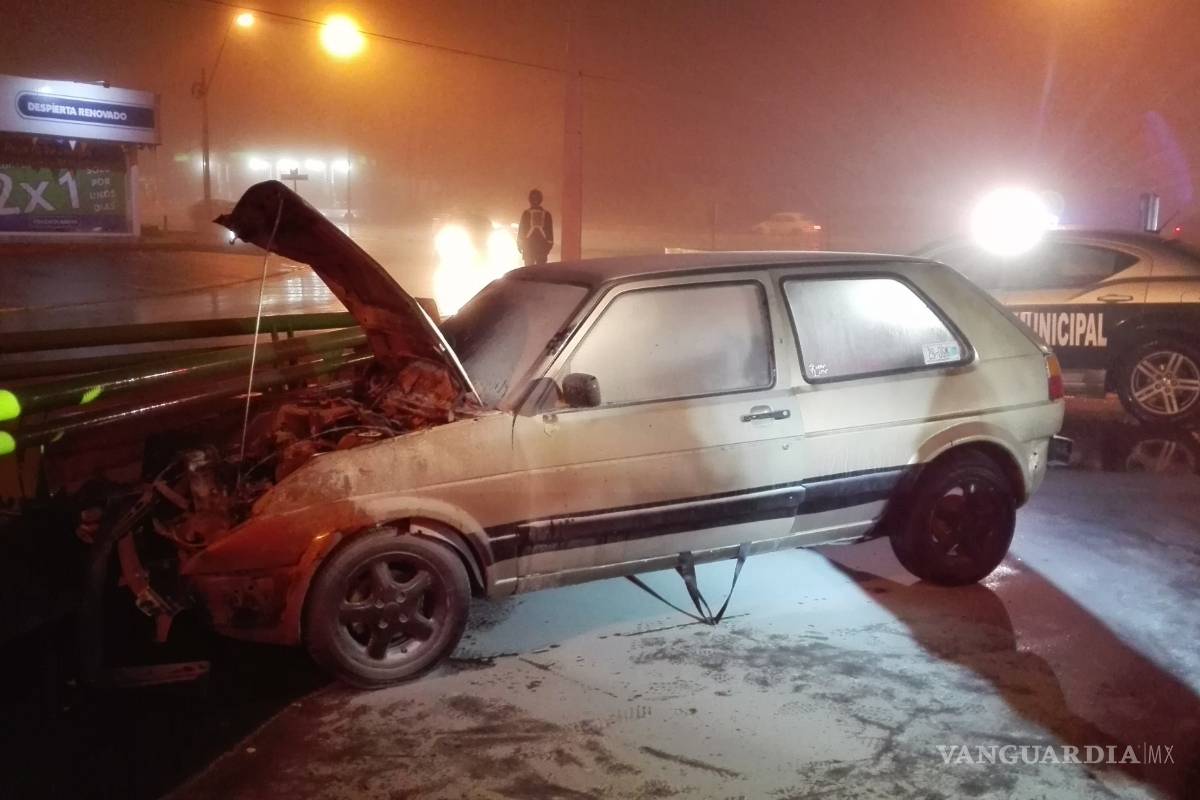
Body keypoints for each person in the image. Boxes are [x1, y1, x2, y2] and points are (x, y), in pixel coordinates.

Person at [518, 189, 554, 266]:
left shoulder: (526, 214)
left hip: (530, 245)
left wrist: (519, 244)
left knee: (530, 270)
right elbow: (550, 233)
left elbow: (521, 230)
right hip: (539, 246)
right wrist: (549, 246)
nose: (535, 201)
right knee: (539, 270)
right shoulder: (546, 214)